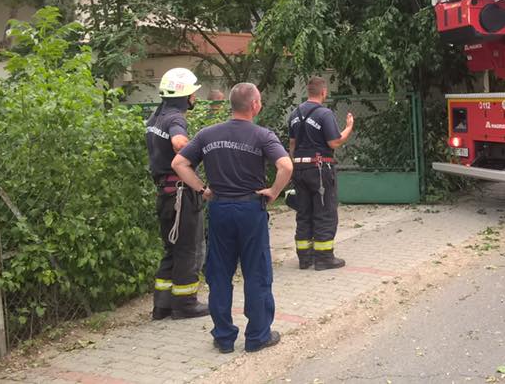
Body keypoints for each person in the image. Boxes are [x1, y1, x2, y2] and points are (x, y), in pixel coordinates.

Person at [171, 83, 293, 354]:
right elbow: (285, 165)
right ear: (254, 105)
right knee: (256, 273)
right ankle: (258, 336)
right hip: (251, 210)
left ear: (232, 105)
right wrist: (274, 191)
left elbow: (179, 163)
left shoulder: (207, 134)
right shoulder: (263, 135)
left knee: (219, 274)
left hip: (220, 209)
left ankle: (224, 338)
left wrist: (202, 189)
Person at [146, 68, 209, 320]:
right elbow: (179, 143)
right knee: (187, 250)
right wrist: (201, 151)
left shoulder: (154, 119)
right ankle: (185, 305)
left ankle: (162, 306)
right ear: (184, 96)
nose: (195, 97)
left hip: (164, 193)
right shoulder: (175, 119)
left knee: (171, 249)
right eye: (193, 93)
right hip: (181, 195)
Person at [287, 77, 354, 270]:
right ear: (323, 92)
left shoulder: (294, 114)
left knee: (304, 213)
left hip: (299, 168)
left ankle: (304, 258)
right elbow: (334, 142)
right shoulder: (324, 114)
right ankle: (324, 258)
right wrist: (349, 127)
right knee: (324, 212)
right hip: (320, 169)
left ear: (308, 91)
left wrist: (296, 166)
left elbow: (292, 145)